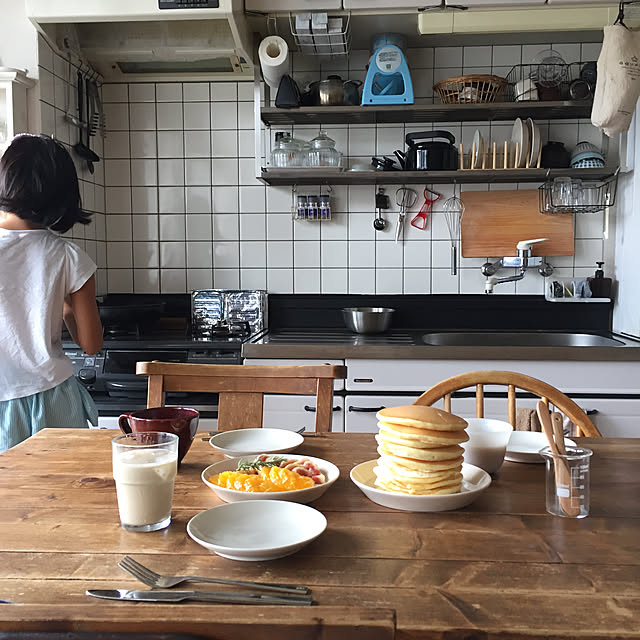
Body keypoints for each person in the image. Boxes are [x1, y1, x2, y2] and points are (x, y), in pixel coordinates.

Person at [0, 134, 103, 452]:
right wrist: (64, 307)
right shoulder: (69, 256)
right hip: (53, 395)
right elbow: (91, 344)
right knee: (64, 494)